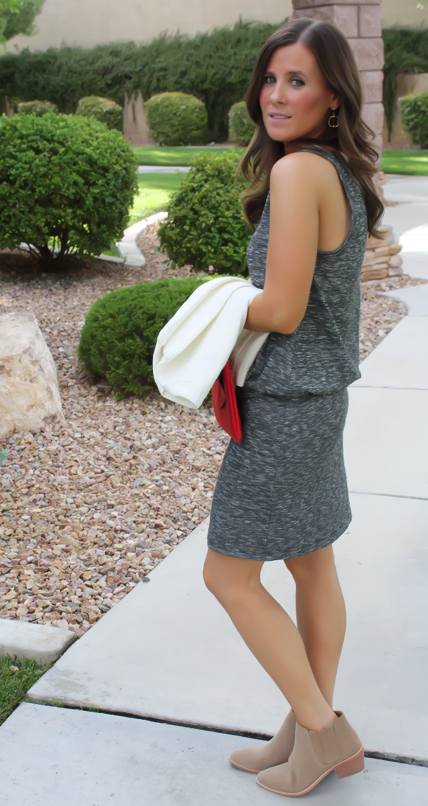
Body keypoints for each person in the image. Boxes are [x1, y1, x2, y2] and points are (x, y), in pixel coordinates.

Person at [202, 16, 385, 798]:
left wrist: (206, 306)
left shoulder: (296, 175)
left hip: (283, 404)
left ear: (333, 97)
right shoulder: (332, 173)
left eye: (298, 81)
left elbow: (280, 309)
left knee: (229, 576)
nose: (276, 96)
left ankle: (321, 729)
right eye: (271, 79)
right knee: (312, 563)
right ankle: (308, 724)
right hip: (317, 398)